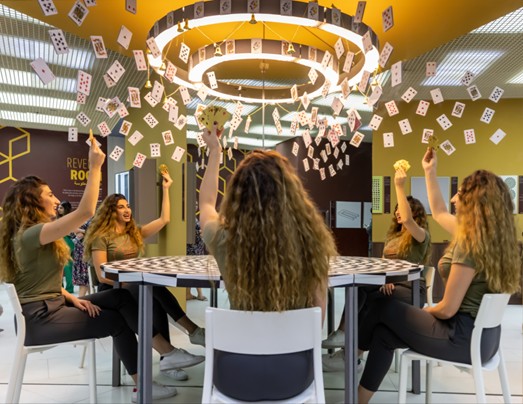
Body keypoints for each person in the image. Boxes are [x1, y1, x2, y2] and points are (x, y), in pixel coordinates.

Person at [0, 139, 182, 401]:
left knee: (120, 297)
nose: (55, 200)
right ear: (32, 202)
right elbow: (86, 211)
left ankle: (168, 353)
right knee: (117, 321)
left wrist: (73, 299)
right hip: (40, 319)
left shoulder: (30, 235)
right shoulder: (32, 234)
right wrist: (95, 165)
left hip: (51, 306)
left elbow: (39, 283)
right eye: (49, 195)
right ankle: (145, 383)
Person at [356, 148, 521, 403]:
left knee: (383, 307)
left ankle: (351, 354)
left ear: (474, 203)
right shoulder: (491, 239)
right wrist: (429, 171)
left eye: (459, 194)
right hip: (486, 341)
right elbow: (440, 211)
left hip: (461, 338)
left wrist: (423, 311)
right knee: (383, 335)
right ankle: (358, 398)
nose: (453, 199)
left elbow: (446, 309)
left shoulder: (469, 243)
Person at [199, 126, 338, 401]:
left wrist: (215, 151)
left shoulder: (222, 238)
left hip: (235, 375)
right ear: (292, 195)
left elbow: (206, 203)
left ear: (237, 195)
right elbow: (318, 317)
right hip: (293, 376)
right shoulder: (313, 245)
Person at [83, 177, 205, 382]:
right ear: (110, 212)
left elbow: (164, 219)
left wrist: (166, 188)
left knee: (152, 295)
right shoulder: (101, 237)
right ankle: (191, 333)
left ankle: (169, 358)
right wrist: (128, 282)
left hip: (134, 287)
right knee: (148, 287)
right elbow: (102, 275)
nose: (126, 210)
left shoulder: (134, 233)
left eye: (128, 206)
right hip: (112, 289)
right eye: (121, 207)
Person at [323, 167, 431, 371]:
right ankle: (344, 334)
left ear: (414, 213)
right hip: (390, 285)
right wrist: (386, 280)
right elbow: (384, 263)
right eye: (397, 209)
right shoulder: (393, 236)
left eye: (403, 209)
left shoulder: (421, 235)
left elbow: (408, 220)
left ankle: (351, 356)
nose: (398, 212)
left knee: (373, 302)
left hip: (411, 289)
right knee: (359, 287)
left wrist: (399, 185)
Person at [186, 217, 207, 301]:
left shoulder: (191, 217)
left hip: (194, 248)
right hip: (194, 249)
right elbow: (191, 232)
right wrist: (201, 232)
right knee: (196, 271)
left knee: (191, 271)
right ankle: (200, 294)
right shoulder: (190, 218)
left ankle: (188, 293)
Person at [57, 200, 75, 294]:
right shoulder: (63, 218)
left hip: (66, 241)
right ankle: (64, 287)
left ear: (66, 209)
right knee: (64, 265)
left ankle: (68, 288)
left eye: (61, 208)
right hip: (62, 240)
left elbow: (71, 231)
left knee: (66, 266)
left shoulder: (67, 218)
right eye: (58, 207)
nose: (58, 209)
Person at [72, 219, 91, 297]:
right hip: (78, 252)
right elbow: (71, 233)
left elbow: (94, 232)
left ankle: (80, 299)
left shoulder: (93, 219)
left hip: (86, 251)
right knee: (85, 279)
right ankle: (90, 297)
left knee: (85, 278)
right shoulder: (79, 219)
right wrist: (75, 232)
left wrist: (80, 231)